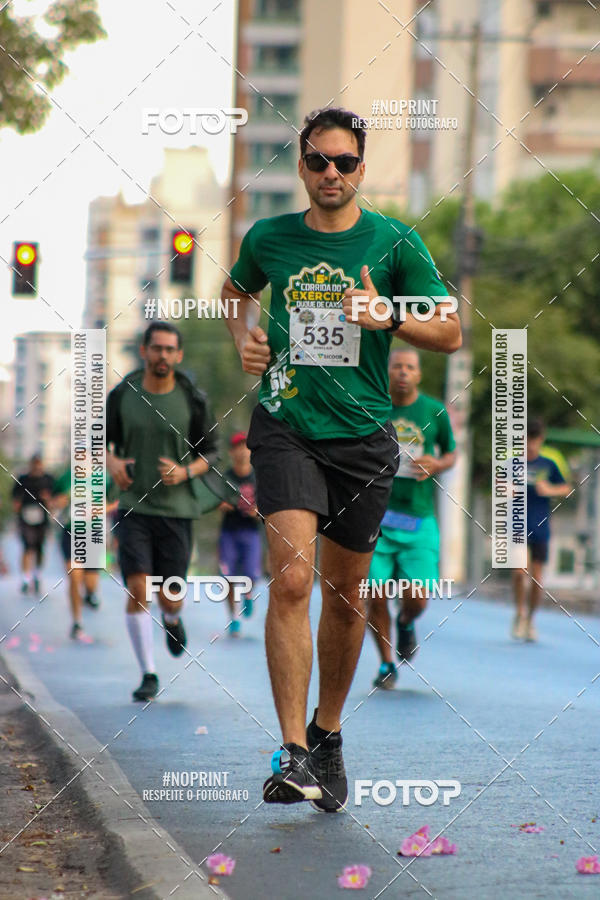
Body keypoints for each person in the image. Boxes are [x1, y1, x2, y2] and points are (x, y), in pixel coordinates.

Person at [222, 106, 461, 812]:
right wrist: (244, 339)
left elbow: (448, 329)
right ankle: (292, 751)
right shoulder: (269, 238)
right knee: (293, 579)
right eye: (319, 161)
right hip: (285, 425)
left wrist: (389, 316)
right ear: (301, 166)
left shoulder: (395, 244)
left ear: (362, 169)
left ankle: (328, 734)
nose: (332, 173)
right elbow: (235, 294)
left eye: (345, 162)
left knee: (346, 597)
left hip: (362, 437)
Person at [106, 323, 218, 701]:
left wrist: (185, 471)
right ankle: (148, 674)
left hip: (177, 509)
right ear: (144, 350)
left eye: (170, 349)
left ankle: (171, 618)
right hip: (133, 506)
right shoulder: (123, 394)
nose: (163, 356)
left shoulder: (192, 399)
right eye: (157, 348)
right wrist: (112, 462)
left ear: (179, 355)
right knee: (138, 587)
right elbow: (98, 440)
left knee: (170, 595)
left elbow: (211, 454)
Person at [367, 348, 456, 689]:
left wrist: (438, 464)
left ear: (418, 374)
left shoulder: (434, 411)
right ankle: (387, 663)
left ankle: (406, 621)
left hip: (418, 519)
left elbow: (451, 452)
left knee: (417, 597)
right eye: (397, 366)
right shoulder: (373, 407)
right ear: (387, 371)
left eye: (410, 367)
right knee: (373, 593)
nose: (403, 372)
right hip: (376, 519)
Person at [512, 418, 570, 642]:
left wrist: (550, 489)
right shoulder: (512, 461)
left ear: (540, 440)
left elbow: (566, 488)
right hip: (516, 524)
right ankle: (519, 613)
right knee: (519, 573)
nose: (530, 445)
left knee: (536, 580)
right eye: (526, 440)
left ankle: (530, 620)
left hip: (540, 526)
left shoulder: (550, 462)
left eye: (534, 440)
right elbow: (498, 483)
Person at [51, 466, 118, 640]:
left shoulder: (104, 478)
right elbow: (53, 501)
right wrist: (61, 501)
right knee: (74, 575)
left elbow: (116, 502)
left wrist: (101, 509)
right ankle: (77, 622)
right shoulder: (67, 476)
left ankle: (90, 593)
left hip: (93, 533)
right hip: (71, 531)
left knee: (90, 582)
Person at [218, 432, 261, 636]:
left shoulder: (258, 476)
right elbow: (215, 500)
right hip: (229, 532)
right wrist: (221, 504)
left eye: (245, 447)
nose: (242, 451)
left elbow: (267, 504)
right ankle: (233, 618)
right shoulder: (225, 477)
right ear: (231, 452)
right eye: (238, 447)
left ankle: (248, 594)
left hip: (251, 532)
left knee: (252, 574)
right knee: (228, 578)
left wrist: (258, 511)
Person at [12, 454, 54, 595]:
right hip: (25, 517)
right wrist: (17, 513)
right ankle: (25, 578)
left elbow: (54, 499)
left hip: (42, 518)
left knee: (39, 548)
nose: (37, 466)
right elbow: (15, 499)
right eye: (34, 464)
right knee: (27, 547)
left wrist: (48, 500)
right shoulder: (23, 479)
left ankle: (37, 574)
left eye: (39, 463)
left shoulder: (48, 479)